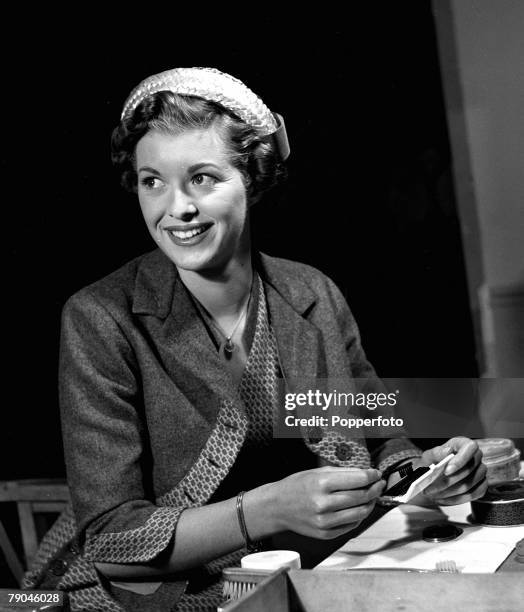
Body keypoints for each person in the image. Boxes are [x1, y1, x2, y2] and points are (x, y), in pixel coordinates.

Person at [23, 67, 488, 611]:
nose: (176, 210)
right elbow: (111, 542)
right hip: (140, 591)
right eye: (153, 181)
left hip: (299, 564)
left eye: (201, 178)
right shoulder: (99, 317)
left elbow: (380, 439)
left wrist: (429, 472)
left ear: (254, 177)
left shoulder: (312, 292)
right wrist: (266, 509)